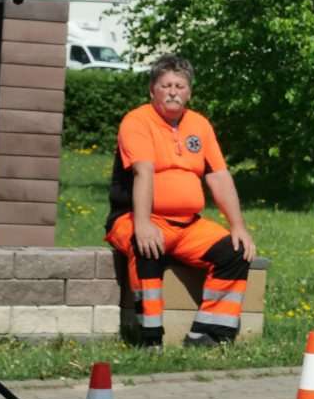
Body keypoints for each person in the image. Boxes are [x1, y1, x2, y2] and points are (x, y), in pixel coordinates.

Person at [105, 54, 256, 347]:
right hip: (135, 218)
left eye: (180, 86)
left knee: (235, 251)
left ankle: (209, 334)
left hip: (188, 225)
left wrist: (238, 226)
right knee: (146, 246)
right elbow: (143, 172)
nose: (173, 92)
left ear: (189, 93)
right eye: (166, 86)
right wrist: (143, 224)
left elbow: (219, 177)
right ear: (152, 90)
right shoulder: (136, 121)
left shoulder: (200, 124)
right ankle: (149, 339)